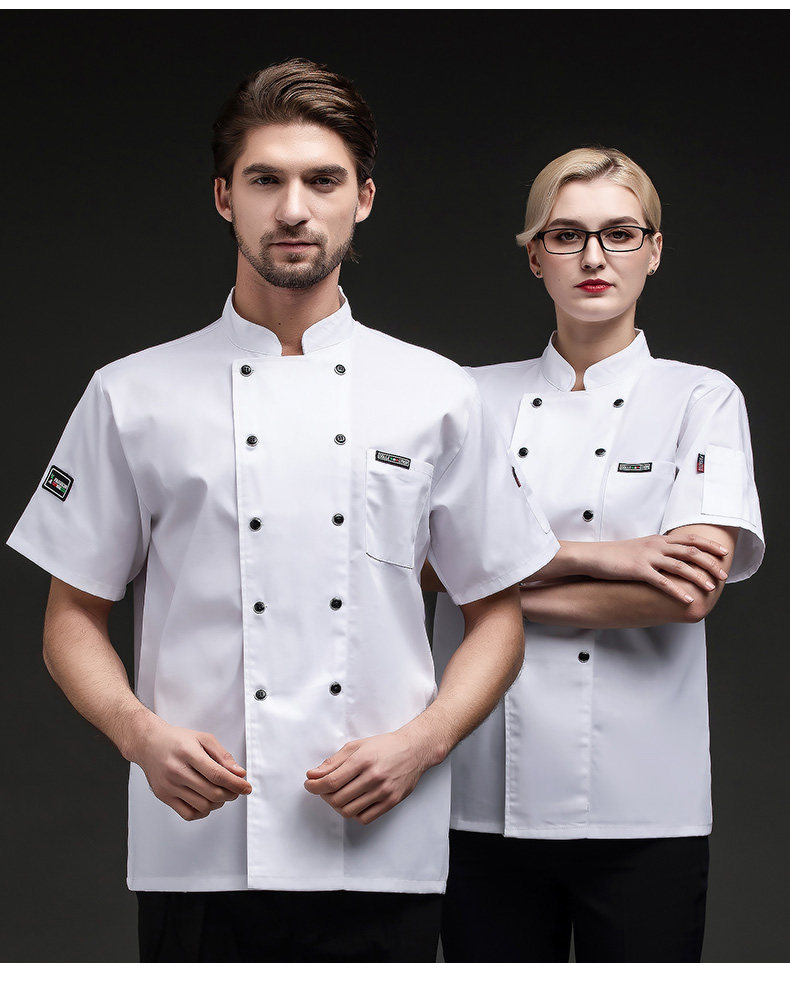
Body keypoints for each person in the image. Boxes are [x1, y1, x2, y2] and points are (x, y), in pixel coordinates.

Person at [6, 59, 562, 962]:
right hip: (197, 842)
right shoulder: (130, 392)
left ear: (363, 199)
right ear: (224, 197)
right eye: (266, 180)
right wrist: (139, 736)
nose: (294, 209)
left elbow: (496, 613)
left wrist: (422, 745)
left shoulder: (437, 393)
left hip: (380, 838)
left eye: (323, 181)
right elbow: (70, 617)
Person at [428, 147, 764, 962]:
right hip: (480, 794)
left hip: (645, 799)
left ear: (654, 250)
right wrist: (612, 558)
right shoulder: (465, 396)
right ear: (535, 255)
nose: (593, 257)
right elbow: (424, 565)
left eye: (619, 233)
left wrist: (490, 590)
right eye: (566, 234)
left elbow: (688, 590)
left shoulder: (701, 396)